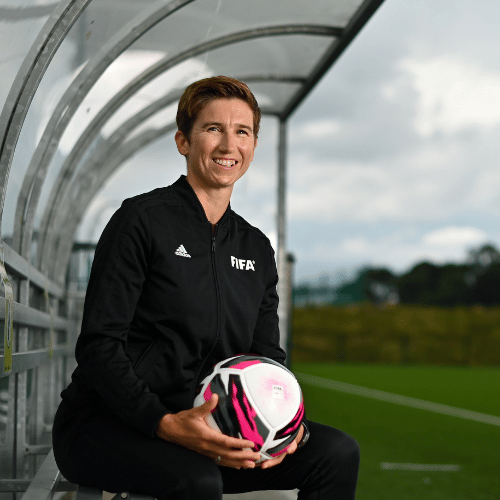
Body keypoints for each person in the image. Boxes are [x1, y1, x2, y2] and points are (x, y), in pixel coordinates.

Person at [52, 76, 360, 500]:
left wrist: (283, 426)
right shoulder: (140, 220)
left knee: (337, 453)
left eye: (242, 132)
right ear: (184, 141)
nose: (228, 145)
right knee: (197, 482)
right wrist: (163, 422)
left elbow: (266, 358)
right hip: (110, 423)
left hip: (212, 427)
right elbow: (99, 346)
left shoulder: (256, 247)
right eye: (213, 129)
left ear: (252, 146)